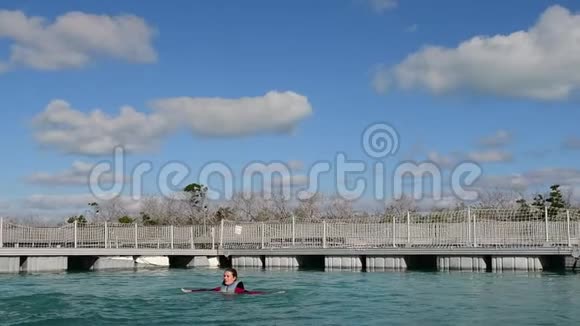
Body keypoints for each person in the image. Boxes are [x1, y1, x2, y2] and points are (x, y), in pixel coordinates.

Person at [181, 268, 265, 295]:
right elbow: (206, 290)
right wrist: (191, 291)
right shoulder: (221, 288)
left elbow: (250, 293)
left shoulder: (238, 290)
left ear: (234, 278)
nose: (225, 278)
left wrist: (265, 294)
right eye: (224, 276)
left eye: (228, 276)